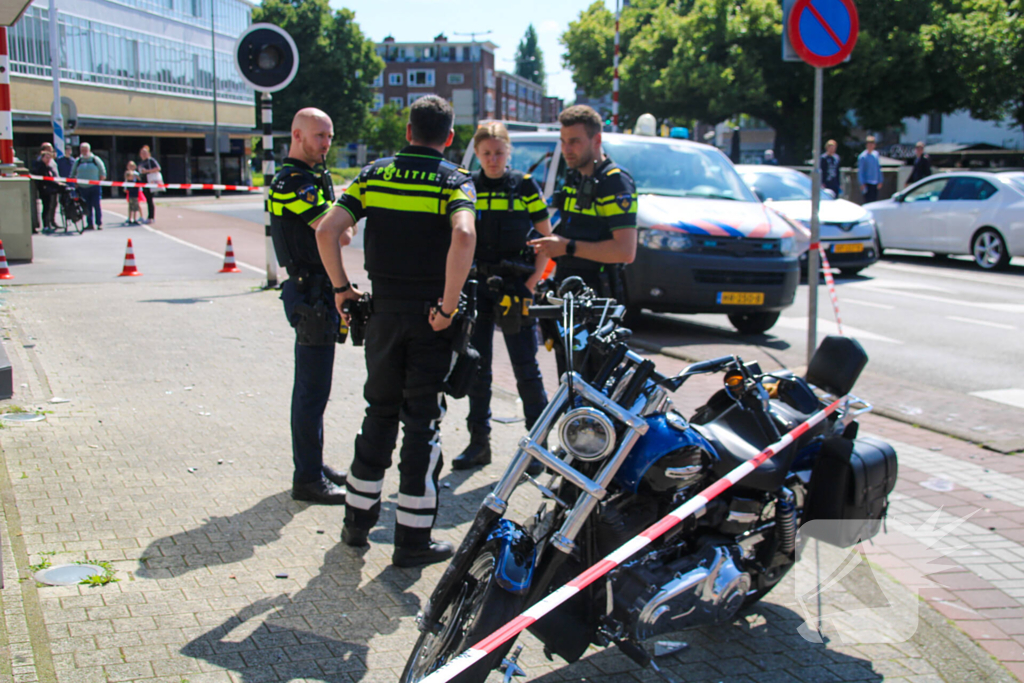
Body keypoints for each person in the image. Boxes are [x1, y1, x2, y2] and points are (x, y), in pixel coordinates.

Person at [316, 95, 476, 568]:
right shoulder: (454, 180)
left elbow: (327, 230)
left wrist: (342, 291)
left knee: (378, 414)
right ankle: (411, 540)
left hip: (382, 313)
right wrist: (448, 308)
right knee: (422, 425)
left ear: (408, 132)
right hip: (430, 318)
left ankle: (356, 525)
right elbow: (464, 236)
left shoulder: (374, 174)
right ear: (448, 138)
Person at [451, 123, 552, 472]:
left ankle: (538, 448)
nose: (493, 160)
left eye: (499, 152)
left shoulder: (524, 186)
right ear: (477, 155)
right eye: (486, 154)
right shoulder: (467, 185)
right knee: (477, 368)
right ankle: (479, 444)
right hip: (478, 289)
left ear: (508, 152)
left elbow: (546, 240)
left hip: (514, 290)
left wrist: (531, 285)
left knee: (526, 369)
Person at [269, 108, 348, 506]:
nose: (326, 144)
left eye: (329, 137)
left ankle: (313, 465)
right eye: (319, 136)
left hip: (318, 292)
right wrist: (340, 226)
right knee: (311, 391)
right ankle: (307, 478)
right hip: (310, 294)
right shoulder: (293, 182)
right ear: (297, 135)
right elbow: (340, 234)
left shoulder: (314, 178)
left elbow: (338, 231)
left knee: (317, 389)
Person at [70, 142, 107, 230]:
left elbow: (103, 172)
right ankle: (90, 224)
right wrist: (74, 183)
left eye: (85, 150)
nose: (84, 151)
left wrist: (100, 181)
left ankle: (99, 223)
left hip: (94, 187)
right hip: (82, 188)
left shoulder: (95, 159)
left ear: (89, 150)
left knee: (96, 205)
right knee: (86, 206)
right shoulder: (78, 161)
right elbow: (72, 173)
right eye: (82, 150)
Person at [31, 145, 59, 232]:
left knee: (51, 206)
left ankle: (50, 222)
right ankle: (46, 225)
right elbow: (44, 179)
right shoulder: (40, 167)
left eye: (49, 158)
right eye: (46, 157)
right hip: (44, 190)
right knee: (46, 207)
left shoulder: (49, 167)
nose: (48, 159)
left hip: (51, 189)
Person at [138, 145, 161, 224]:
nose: (143, 154)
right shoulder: (141, 162)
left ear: (148, 153)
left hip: (150, 182)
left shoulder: (151, 160)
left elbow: (158, 168)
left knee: (150, 200)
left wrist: (147, 171)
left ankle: (151, 217)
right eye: (142, 153)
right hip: (144, 183)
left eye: (145, 153)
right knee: (147, 199)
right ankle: (148, 216)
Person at [857, 135, 883, 204]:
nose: (871, 146)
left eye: (872, 144)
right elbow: (861, 171)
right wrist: (862, 183)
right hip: (867, 183)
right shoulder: (863, 156)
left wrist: (880, 180)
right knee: (867, 201)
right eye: (869, 144)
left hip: (875, 182)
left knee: (874, 201)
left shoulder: (876, 154)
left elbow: (878, 168)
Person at [124, 161, 142, 225]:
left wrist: (138, 179)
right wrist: (125, 188)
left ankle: (136, 218)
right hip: (130, 195)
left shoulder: (136, 175)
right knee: (130, 207)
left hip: (136, 194)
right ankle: (129, 218)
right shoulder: (127, 175)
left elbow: (140, 182)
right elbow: (125, 183)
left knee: (136, 206)